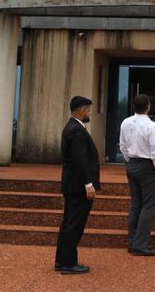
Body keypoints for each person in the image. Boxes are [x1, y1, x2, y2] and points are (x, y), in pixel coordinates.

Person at [55, 95, 101, 275]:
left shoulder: (73, 127)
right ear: (82, 110)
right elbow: (79, 160)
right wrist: (88, 184)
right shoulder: (76, 130)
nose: (89, 113)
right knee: (74, 224)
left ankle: (62, 260)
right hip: (77, 186)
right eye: (88, 109)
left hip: (73, 185)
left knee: (69, 223)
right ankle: (68, 263)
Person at [119, 93, 155, 257]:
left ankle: (133, 242)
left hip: (132, 164)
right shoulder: (151, 126)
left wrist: (129, 161)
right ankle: (141, 244)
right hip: (148, 167)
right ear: (148, 107)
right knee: (148, 206)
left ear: (133, 107)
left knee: (135, 204)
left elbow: (123, 146)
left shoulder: (125, 123)